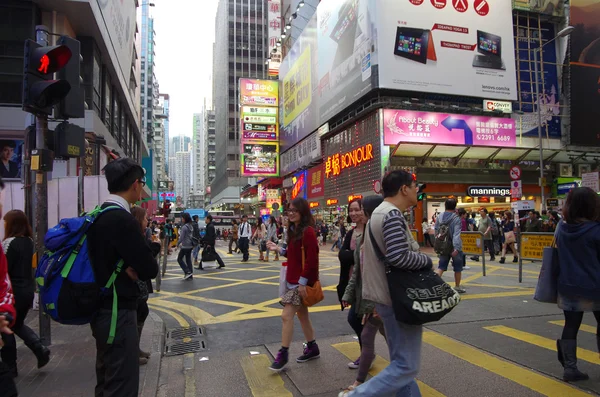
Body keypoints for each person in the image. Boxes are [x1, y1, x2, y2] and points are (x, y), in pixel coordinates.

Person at [341, 171, 433, 397]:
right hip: (396, 300)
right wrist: (427, 260)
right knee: (406, 366)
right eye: (414, 186)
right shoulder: (391, 215)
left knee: (401, 363)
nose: (416, 191)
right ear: (404, 189)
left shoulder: (379, 215)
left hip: (384, 299)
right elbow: (398, 257)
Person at [86, 158, 158, 397]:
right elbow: (149, 268)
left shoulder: (97, 214)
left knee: (106, 379)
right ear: (136, 184)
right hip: (118, 312)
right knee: (121, 385)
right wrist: (133, 264)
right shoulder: (122, 219)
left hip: (101, 308)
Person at [266, 198, 320, 372]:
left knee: (286, 315)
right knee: (302, 316)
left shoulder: (308, 232)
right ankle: (312, 347)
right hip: (291, 280)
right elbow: (293, 255)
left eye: (294, 211)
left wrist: (303, 283)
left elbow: (312, 260)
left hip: (300, 282)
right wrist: (278, 249)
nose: (291, 213)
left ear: (303, 212)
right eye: (289, 210)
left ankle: (283, 354)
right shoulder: (293, 230)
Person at [552, 187, 600, 382]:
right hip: (595, 286)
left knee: (571, 325)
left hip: (568, 285)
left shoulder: (561, 228)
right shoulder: (596, 230)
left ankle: (570, 369)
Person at [341, 196, 386, 393]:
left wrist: (375, 303)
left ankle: (360, 382)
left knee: (370, 336)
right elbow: (358, 271)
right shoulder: (359, 236)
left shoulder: (381, 235)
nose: (357, 214)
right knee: (388, 337)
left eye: (360, 210)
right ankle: (402, 370)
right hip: (368, 296)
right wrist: (348, 294)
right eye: (352, 210)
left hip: (381, 298)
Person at [0, 210, 50, 377]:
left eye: (6, 222)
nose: (4, 224)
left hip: (13, 291)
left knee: (6, 328)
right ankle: (40, 349)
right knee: (17, 324)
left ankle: (10, 366)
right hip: (27, 290)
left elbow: (4, 270)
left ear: (12, 224)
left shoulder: (8, 243)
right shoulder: (29, 242)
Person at [337, 199, 366, 368]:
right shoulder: (350, 233)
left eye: (357, 210)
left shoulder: (370, 231)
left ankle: (367, 354)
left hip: (367, 282)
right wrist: (355, 254)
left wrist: (352, 254)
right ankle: (367, 354)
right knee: (359, 320)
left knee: (356, 319)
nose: (353, 213)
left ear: (365, 210)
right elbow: (342, 256)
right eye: (351, 210)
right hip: (352, 282)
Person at [130, 207, 161, 366]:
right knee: (139, 313)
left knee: (142, 312)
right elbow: (144, 258)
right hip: (135, 286)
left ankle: (136, 349)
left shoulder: (141, 235)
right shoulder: (135, 237)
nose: (147, 221)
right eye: (145, 218)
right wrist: (155, 247)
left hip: (140, 286)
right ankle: (133, 353)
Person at [434, 199, 466, 294]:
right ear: (455, 206)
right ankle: (457, 286)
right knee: (458, 268)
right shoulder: (456, 218)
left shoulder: (439, 217)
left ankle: (432, 285)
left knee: (441, 267)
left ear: (445, 205)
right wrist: (456, 248)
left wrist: (439, 242)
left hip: (443, 245)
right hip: (453, 246)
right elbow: (456, 234)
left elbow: (436, 231)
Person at [177, 213, 195, 279]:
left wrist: (177, 244)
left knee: (179, 259)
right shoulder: (191, 226)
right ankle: (190, 275)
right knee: (188, 260)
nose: (182, 219)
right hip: (190, 245)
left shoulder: (184, 227)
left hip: (185, 246)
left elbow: (181, 238)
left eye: (182, 218)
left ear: (185, 219)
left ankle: (187, 272)